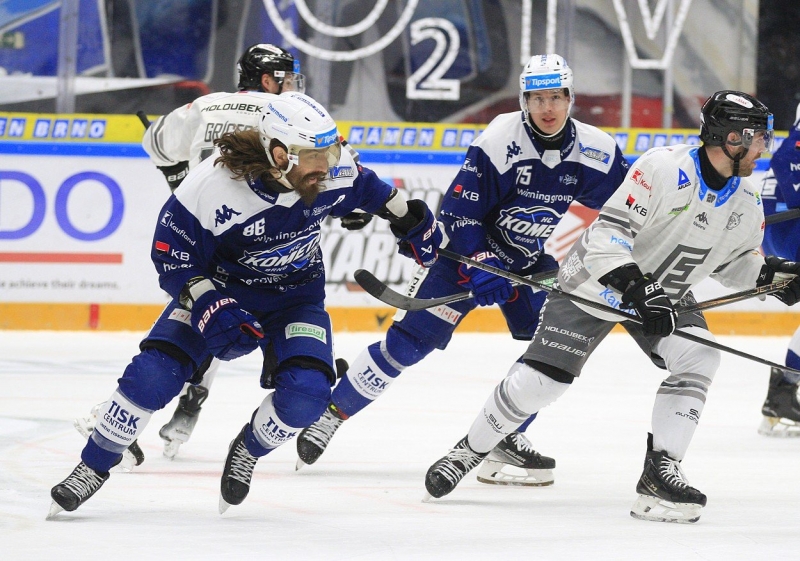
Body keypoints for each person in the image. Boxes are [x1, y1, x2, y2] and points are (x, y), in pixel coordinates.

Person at [47, 91, 443, 518]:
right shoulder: (211, 188)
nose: (327, 165)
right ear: (279, 154)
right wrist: (208, 301)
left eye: (330, 150)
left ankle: (248, 450)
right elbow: (171, 255)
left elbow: (374, 191)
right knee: (152, 376)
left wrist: (414, 221)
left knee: (307, 397)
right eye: (315, 155)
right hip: (222, 288)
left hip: (296, 299)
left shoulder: (333, 168)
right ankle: (92, 465)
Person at [423, 90, 800, 524]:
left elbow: (735, 264)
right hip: (598, 283)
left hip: (665, 291)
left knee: (700, 356)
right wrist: (638, 288)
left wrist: (772, 278)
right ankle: (470, 450)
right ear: (731, 138)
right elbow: (605, 240)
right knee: (542, 384)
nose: (763, 149)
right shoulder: (661, 168)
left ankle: (661, 471)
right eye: (757, 140)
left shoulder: (746, 201)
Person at [295, 54, 630, 486]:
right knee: (406, 347)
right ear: (525, 101)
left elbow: (630, 207)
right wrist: (482, 263)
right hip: (465, 260)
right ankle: (332, 414)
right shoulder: (500, 139)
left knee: (549, 358)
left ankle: (504, 437)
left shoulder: (596, 149)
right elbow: (457, 212)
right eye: (537, 98)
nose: (547, 108)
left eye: (556, 97)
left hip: (528, 264)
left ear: (570, 98)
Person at [75, 43, 371, 464]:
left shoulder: (208, 107)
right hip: (245, 249)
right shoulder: (295, 125)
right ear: (268, 80)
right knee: (214, 326)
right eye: (286, 78)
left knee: (203, 326)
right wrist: (349, 206)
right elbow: (338, 173)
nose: (291, 86)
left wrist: (181, 182)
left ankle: (165, 402)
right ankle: (140, 410)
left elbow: (155, 142)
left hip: (205, 241)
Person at [758, 101, 800, 436]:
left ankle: (784, 390)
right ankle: (784, 389)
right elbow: (785, 162)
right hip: (789, 231)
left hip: (781, 231)